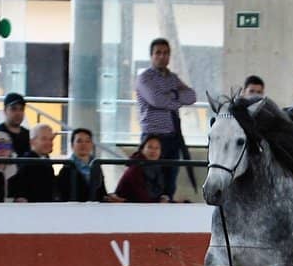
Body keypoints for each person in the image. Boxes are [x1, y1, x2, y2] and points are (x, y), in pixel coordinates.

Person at [136, 38, 197, 199]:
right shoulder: (145, 78)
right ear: (151, 56)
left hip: (172, 137)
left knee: (170, 183)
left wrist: (172, 95)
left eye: (166, 53)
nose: (162, 56)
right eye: (158, 53)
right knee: (151, 181)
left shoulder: (173, 78)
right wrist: (176, 100)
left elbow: (192, 96)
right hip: (152, 137)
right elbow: (156, 100)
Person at [56, 128, 123, 202]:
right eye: (79, 141)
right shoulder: (67, 167)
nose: (84, 144)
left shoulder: (96, 165)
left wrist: (108, 198)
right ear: (72, 145)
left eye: (87, 141)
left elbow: (101, 192)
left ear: (92, 145)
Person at [115, 133, 171, 203]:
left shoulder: (157, 168)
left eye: (157, 148)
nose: (153, 151)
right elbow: (142, 198)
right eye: (150, 147)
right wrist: (160, 201)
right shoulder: (135, 168)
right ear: (142, 149)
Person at [10, 123, 57, 203]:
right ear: (32, 141)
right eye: (44, 139)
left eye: (51, 139)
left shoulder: (45, 160)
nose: (49, 143)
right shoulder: (27, 163)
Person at [0, 92, 30, 157]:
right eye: (14, 109)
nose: (18, 113)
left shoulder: (27, 134)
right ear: (5, 111)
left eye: (21, 109)